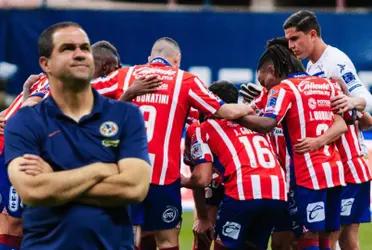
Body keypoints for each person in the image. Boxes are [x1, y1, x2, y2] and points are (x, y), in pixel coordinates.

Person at [91, 37, 253, 250]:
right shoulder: (186, 81)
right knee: (167, 241)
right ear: (177, 60)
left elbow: (82, 95)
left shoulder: (126, 75)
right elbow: (225, 111)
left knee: (127, 238)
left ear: (150, 58)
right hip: (164, 176)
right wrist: (253, 107)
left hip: (128, 173)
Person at [4, 21, 151, 249]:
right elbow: (32, 190)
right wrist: (102, 169)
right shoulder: (25, 121)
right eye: (67, 48)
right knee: (10, 221)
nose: (80, 54)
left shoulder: (127, 116)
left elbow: (134, 188)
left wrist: (53, 180)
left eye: (84, 48)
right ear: (46, 64)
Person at [239, 40, 348, 250]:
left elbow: (268, 123)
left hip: (307, 173)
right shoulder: (326, 84)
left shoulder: (284, 88)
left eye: (264, 81)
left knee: (306, 237)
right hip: (334, 172)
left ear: (271, 69)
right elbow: (346, 121)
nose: (265, 88)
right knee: (324, 235)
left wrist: (235, 116)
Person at [283, 10, 372, 249]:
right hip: (332, 165)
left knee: (341, 237)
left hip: (349, 162)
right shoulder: (310, 69)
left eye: (295, 39)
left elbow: (364, 95)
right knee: (328, 236)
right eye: (288, 40)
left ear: (313, 34)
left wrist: (353, 102)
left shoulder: (335, 60)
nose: (291, 46)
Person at [182, 81, 288, 250]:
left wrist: (178, 180)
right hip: (277, 191)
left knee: (215, 240)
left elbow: (201, 179)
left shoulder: (202, 128)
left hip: (242, 189)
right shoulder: (257, 124)